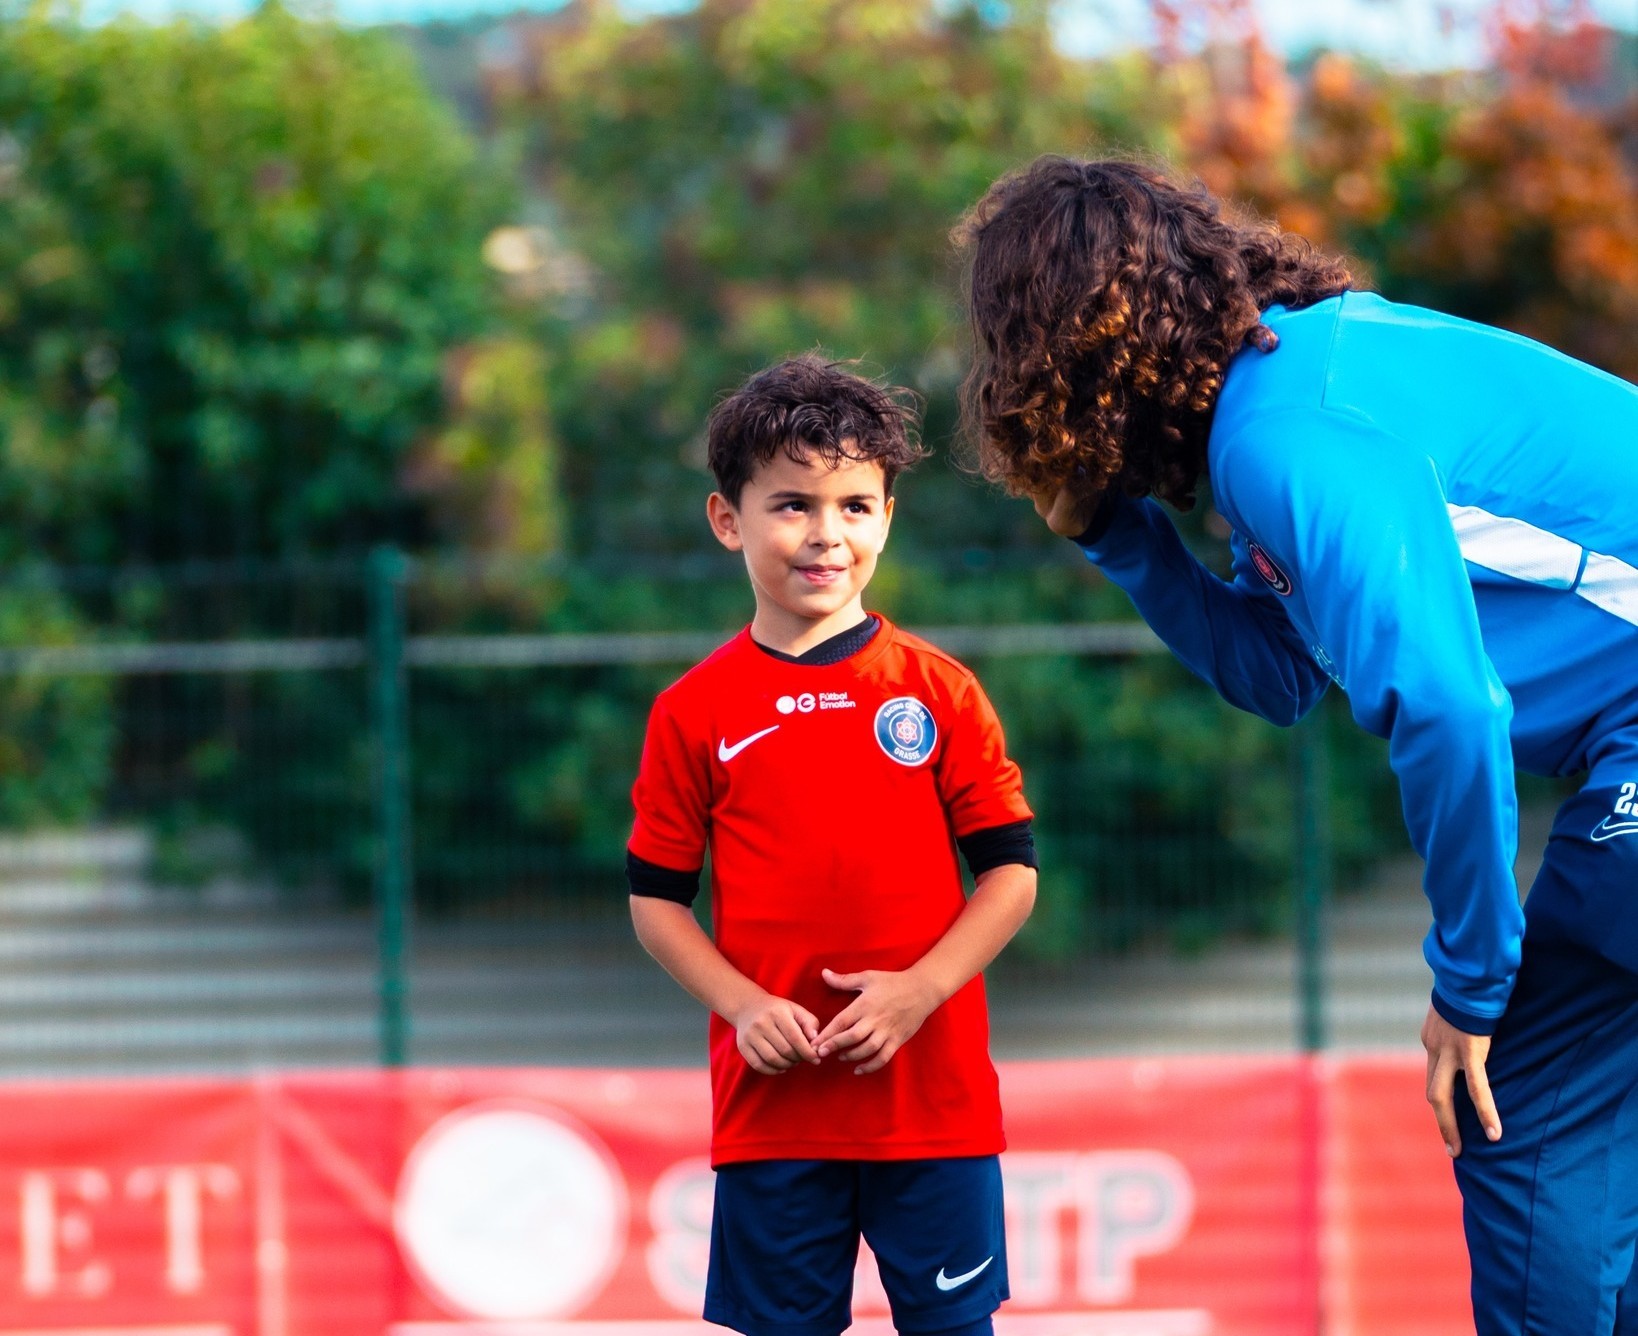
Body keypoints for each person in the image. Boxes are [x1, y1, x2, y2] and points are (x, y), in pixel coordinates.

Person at [954, 154, 1638, 1334]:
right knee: (1547, 1116)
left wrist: (1470, 979)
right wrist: (1124, 536)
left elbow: (1447, 704)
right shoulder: (1276, 407)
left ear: (1069, 351)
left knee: (1523, 1098)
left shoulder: (1292, 430)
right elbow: (1282, 676)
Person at [626, 354, 1039, 1336]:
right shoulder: (693, 712)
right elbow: (655, 902)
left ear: (888, 517)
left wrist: (920, 989)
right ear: (729, 520)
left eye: (856, 505)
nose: (827, 534)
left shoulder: (936, 690)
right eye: (793, 505)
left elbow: (1012, 876)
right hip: (773, 1117)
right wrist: (742, 1002)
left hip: (932, 1110)